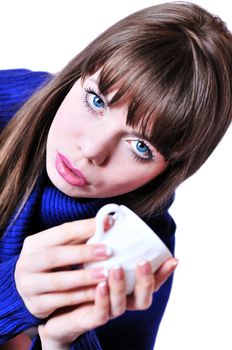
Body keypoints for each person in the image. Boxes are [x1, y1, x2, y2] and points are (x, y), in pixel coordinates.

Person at [0, 1, 231, 349]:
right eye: (96, 101)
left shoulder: (140, 247)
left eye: (141, 147)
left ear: (169, 172)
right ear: (77, 74)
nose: (93, 149)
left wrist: (62, 341)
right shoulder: (7, 106)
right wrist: (10, 297)